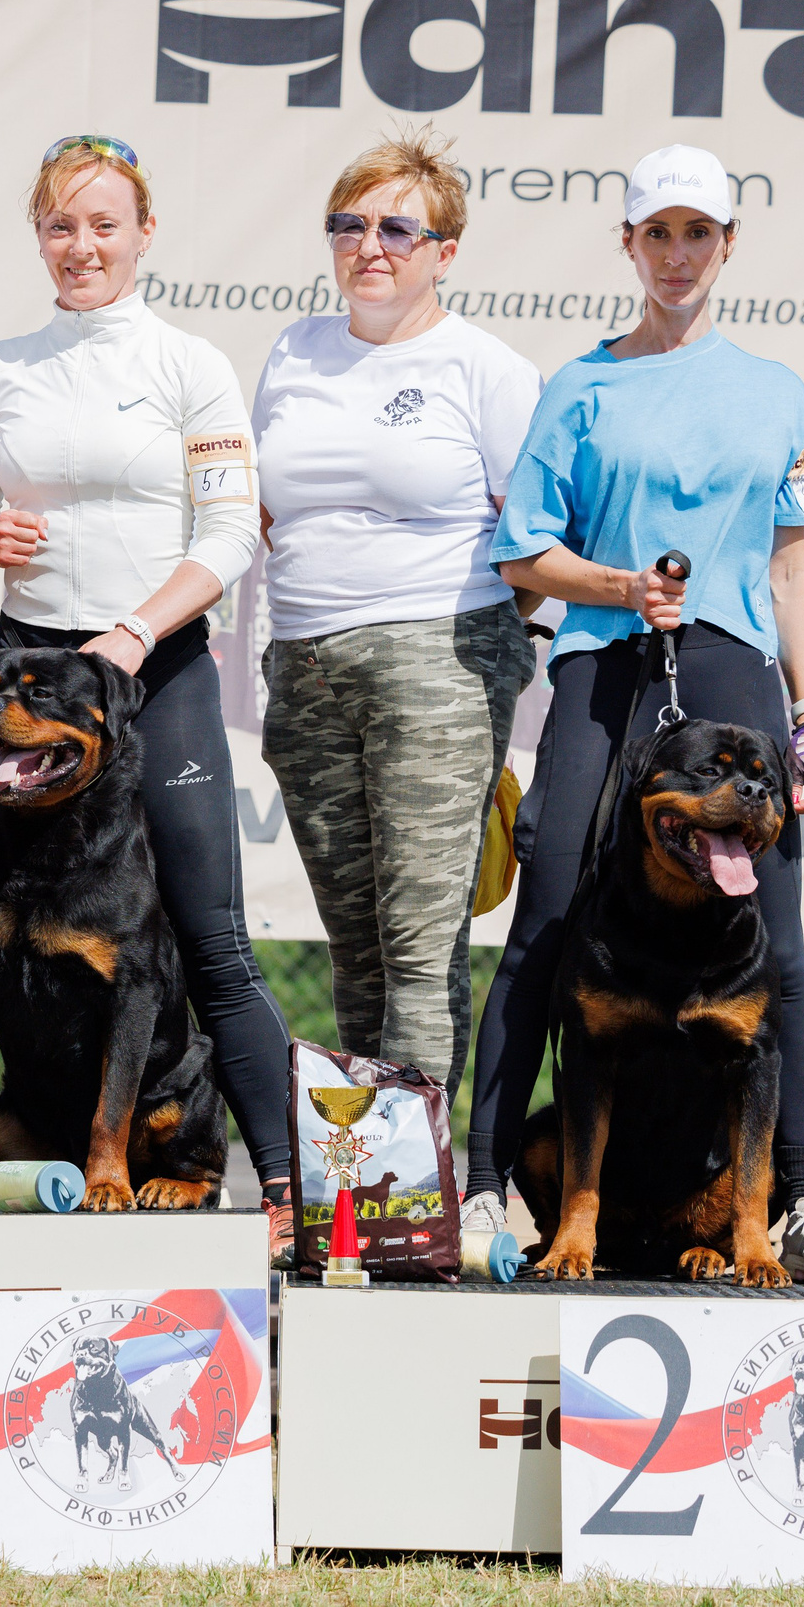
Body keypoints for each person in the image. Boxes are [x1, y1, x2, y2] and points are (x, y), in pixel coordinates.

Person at [0, 134, 295, 1228]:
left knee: (208, 939)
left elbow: (231, 538)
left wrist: (133, 633)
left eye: (103, 223)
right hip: (23, 669)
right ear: (39, 236)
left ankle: (295, 1194)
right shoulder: (3, 366)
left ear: (144, 234)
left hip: (154, 668)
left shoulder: (187, 364)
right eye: (61, 224)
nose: (81, 245)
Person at [466, 144, 804, 1282]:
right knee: (545, 917)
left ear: (728, 244)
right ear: (629, 246)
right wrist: (622, 586)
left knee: (775, 944)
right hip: (604, 660)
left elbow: (789, 564)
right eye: (658, 234)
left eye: (699, 233)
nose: (678, 254)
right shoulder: (579, 386)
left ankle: (797, 1202)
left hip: (734, 666)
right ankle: (489, 1186)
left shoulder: (773, 387)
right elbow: (521, 556)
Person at [251, 128, 542, 1093]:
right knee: (357, 948)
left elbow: (534, 541)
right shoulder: (294, 351)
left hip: (440, 658)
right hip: (304, 663)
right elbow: (256, 512)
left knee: (419, 945)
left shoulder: (485, 368)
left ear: (444, 253)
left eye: (397, 229)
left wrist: (477, 646)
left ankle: (415, 1211)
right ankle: (366, 1191)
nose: (369, 245)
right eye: (348, 223)